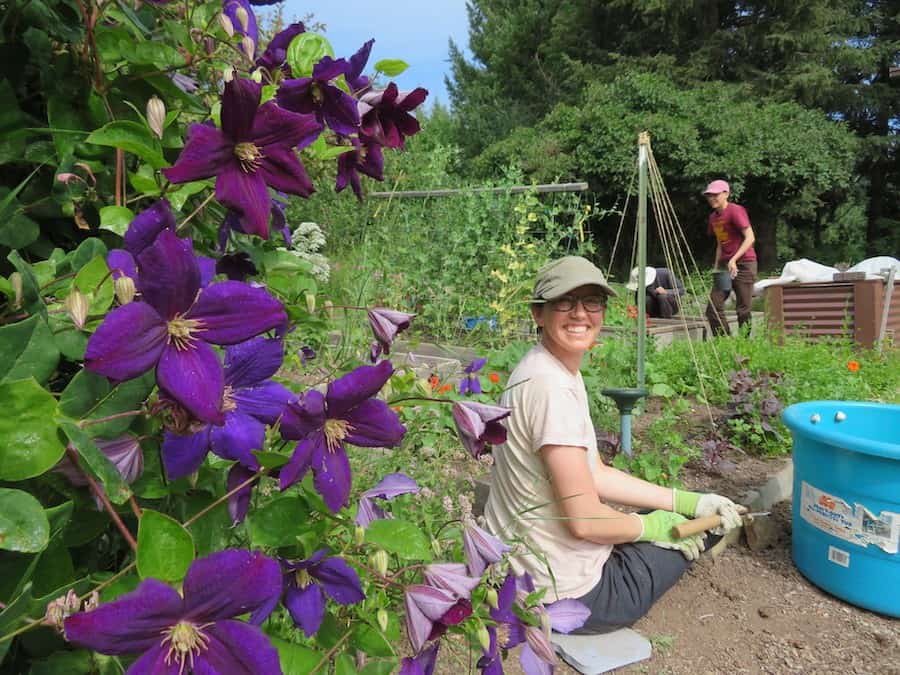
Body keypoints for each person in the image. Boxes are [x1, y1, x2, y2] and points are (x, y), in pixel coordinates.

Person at [484, 256, 744, 633]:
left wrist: (686, 501)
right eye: (564, 302)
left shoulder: (543, 368)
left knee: (687, 512)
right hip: (565, 596)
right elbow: (585, 520)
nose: (580, 314)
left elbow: (595, 473)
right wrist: (654, 528)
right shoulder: (550, 389)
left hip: (517, 571)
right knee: (700, 529)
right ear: (538, 313)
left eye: (592, 302)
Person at [702, 179, 757, 336]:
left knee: (743, 309)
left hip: (745, 263)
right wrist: (717, 265)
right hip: (725, 266)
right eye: (709, 196)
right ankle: (725, 343)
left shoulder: (735, 211)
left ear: (726, 194)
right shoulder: (713, 217)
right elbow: (721, 242)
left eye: (715, 195)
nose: (712, 198)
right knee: (713, 308)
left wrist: (734, 259)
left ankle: (744, 344)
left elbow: (750, 237)